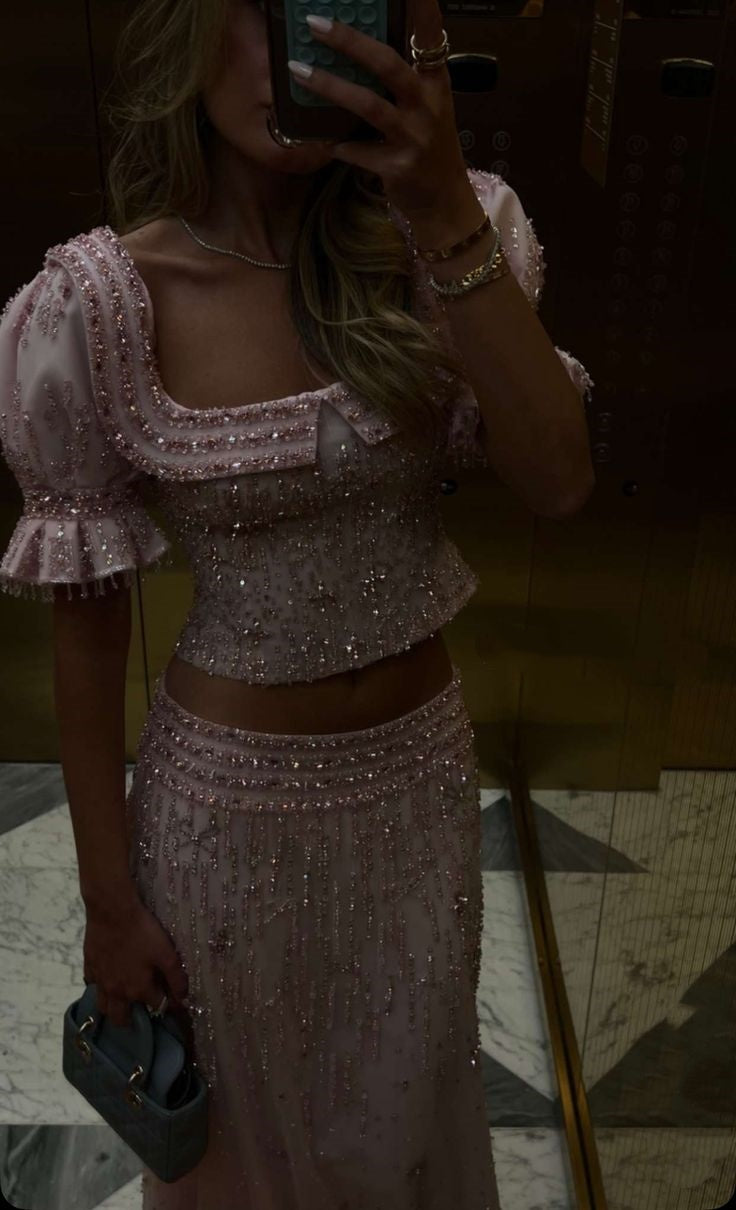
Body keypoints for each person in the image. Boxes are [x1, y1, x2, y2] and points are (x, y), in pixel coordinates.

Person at [0, 0, 594, 1205]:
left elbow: (559, 480)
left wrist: (440, 209)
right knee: (253, 1150)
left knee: (405, 1114)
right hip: (226, 820)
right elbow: (88, 629)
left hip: (417, 790)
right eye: (263, 10)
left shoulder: (451, 235)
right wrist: (108, 904)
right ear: (189, 29)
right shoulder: (103, 302)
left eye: (337, 4)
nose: (297, 50)